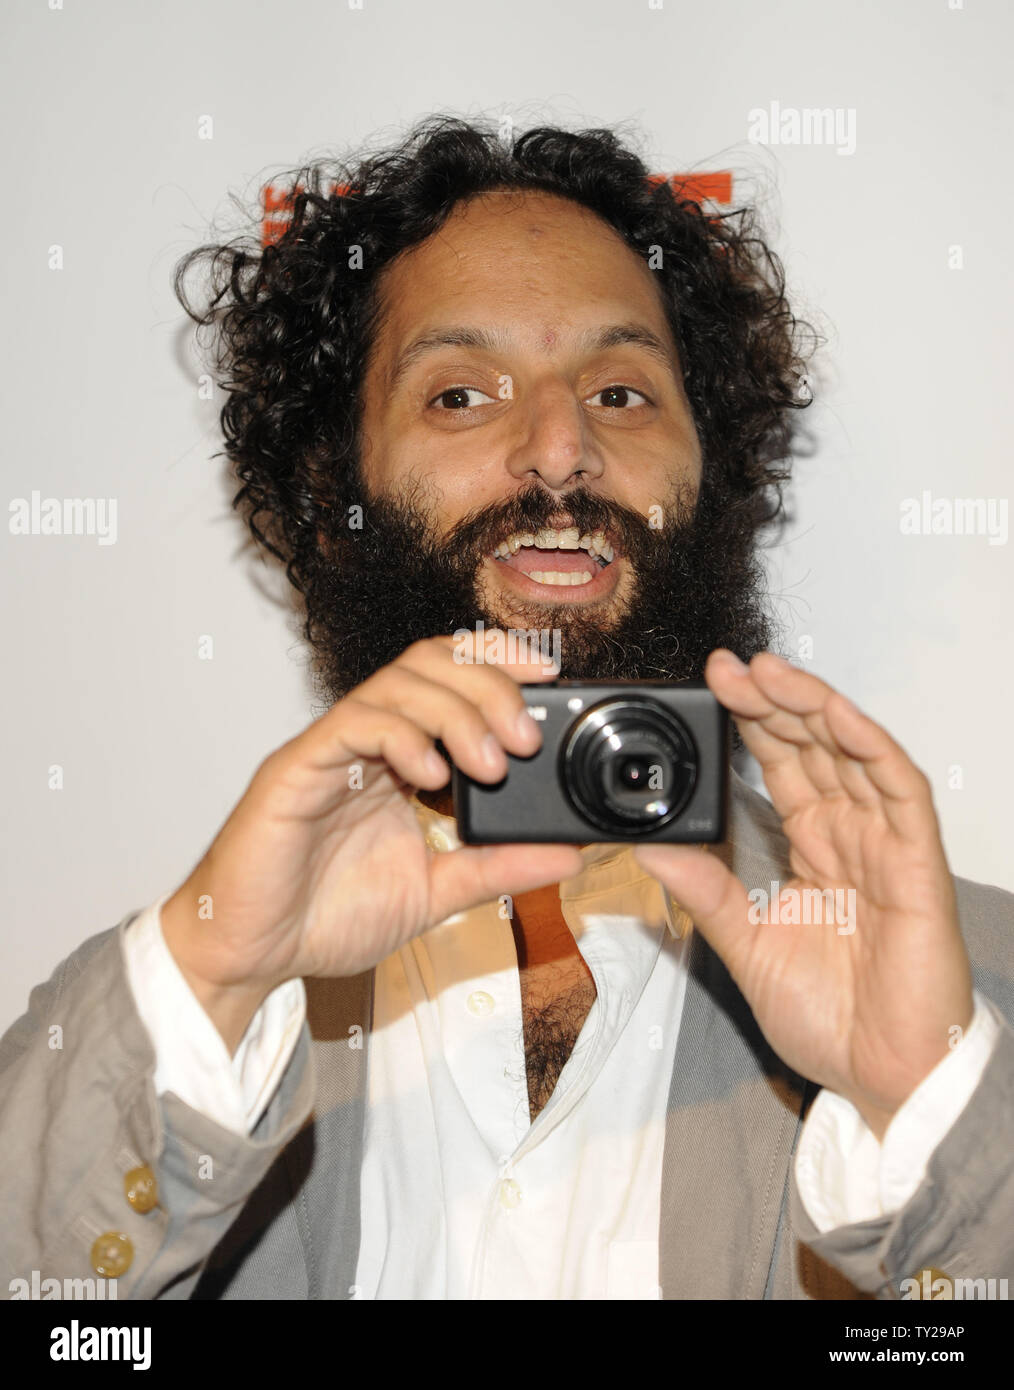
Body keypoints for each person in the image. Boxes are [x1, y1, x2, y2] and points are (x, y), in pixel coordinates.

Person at [2, 115, 1012, 1301]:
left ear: (711, 480)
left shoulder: (961, 991)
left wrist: (920, 1104)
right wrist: (215, 973)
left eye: (624, 390)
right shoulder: (185, 1001)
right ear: (339, 497)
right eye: (462, 393)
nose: (559, 448)